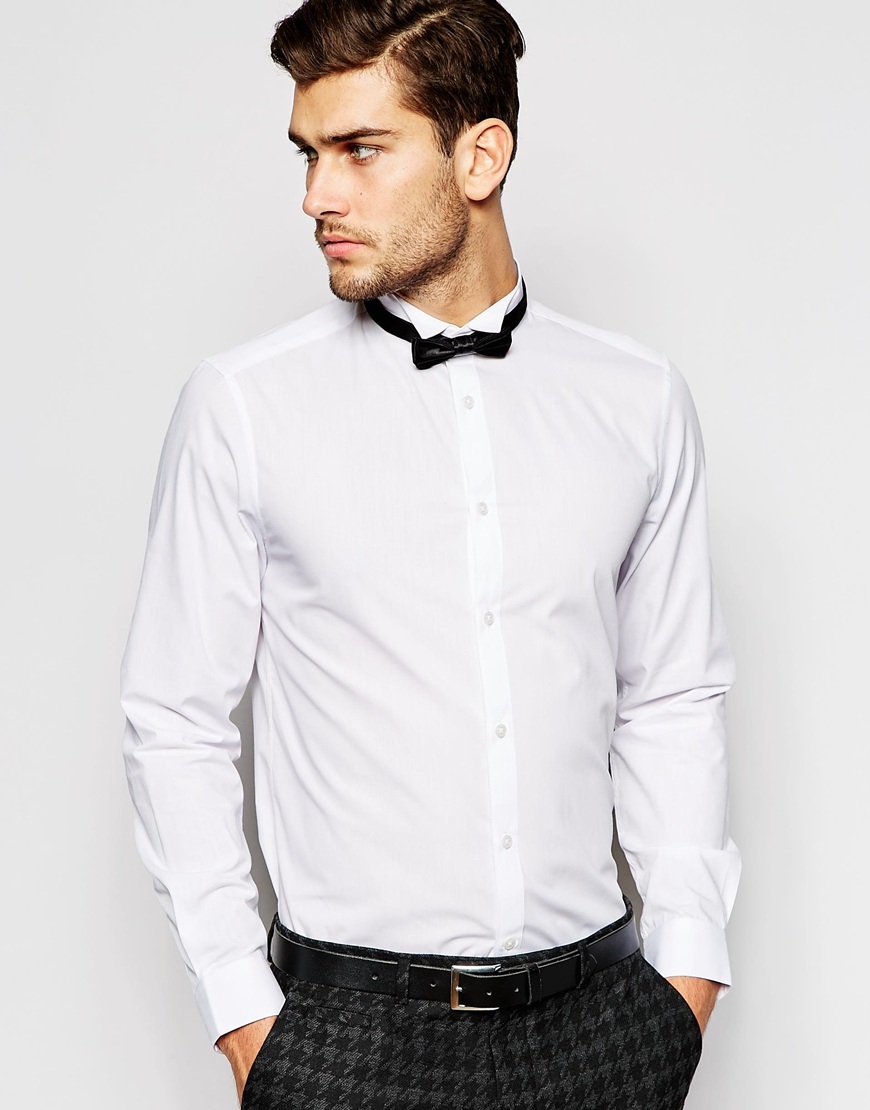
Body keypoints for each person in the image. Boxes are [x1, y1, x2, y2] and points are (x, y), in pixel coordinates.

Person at [120, 1, 741, 1107]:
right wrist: (245, 1016)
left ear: (480, 157)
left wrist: (686, 976)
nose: (317, 195)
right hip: (344, 1041)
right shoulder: (242, 407)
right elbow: (174, 719)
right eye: (309, 154)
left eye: (361, 149)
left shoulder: (638, 402)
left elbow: (672, 694)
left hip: (602, 1027)